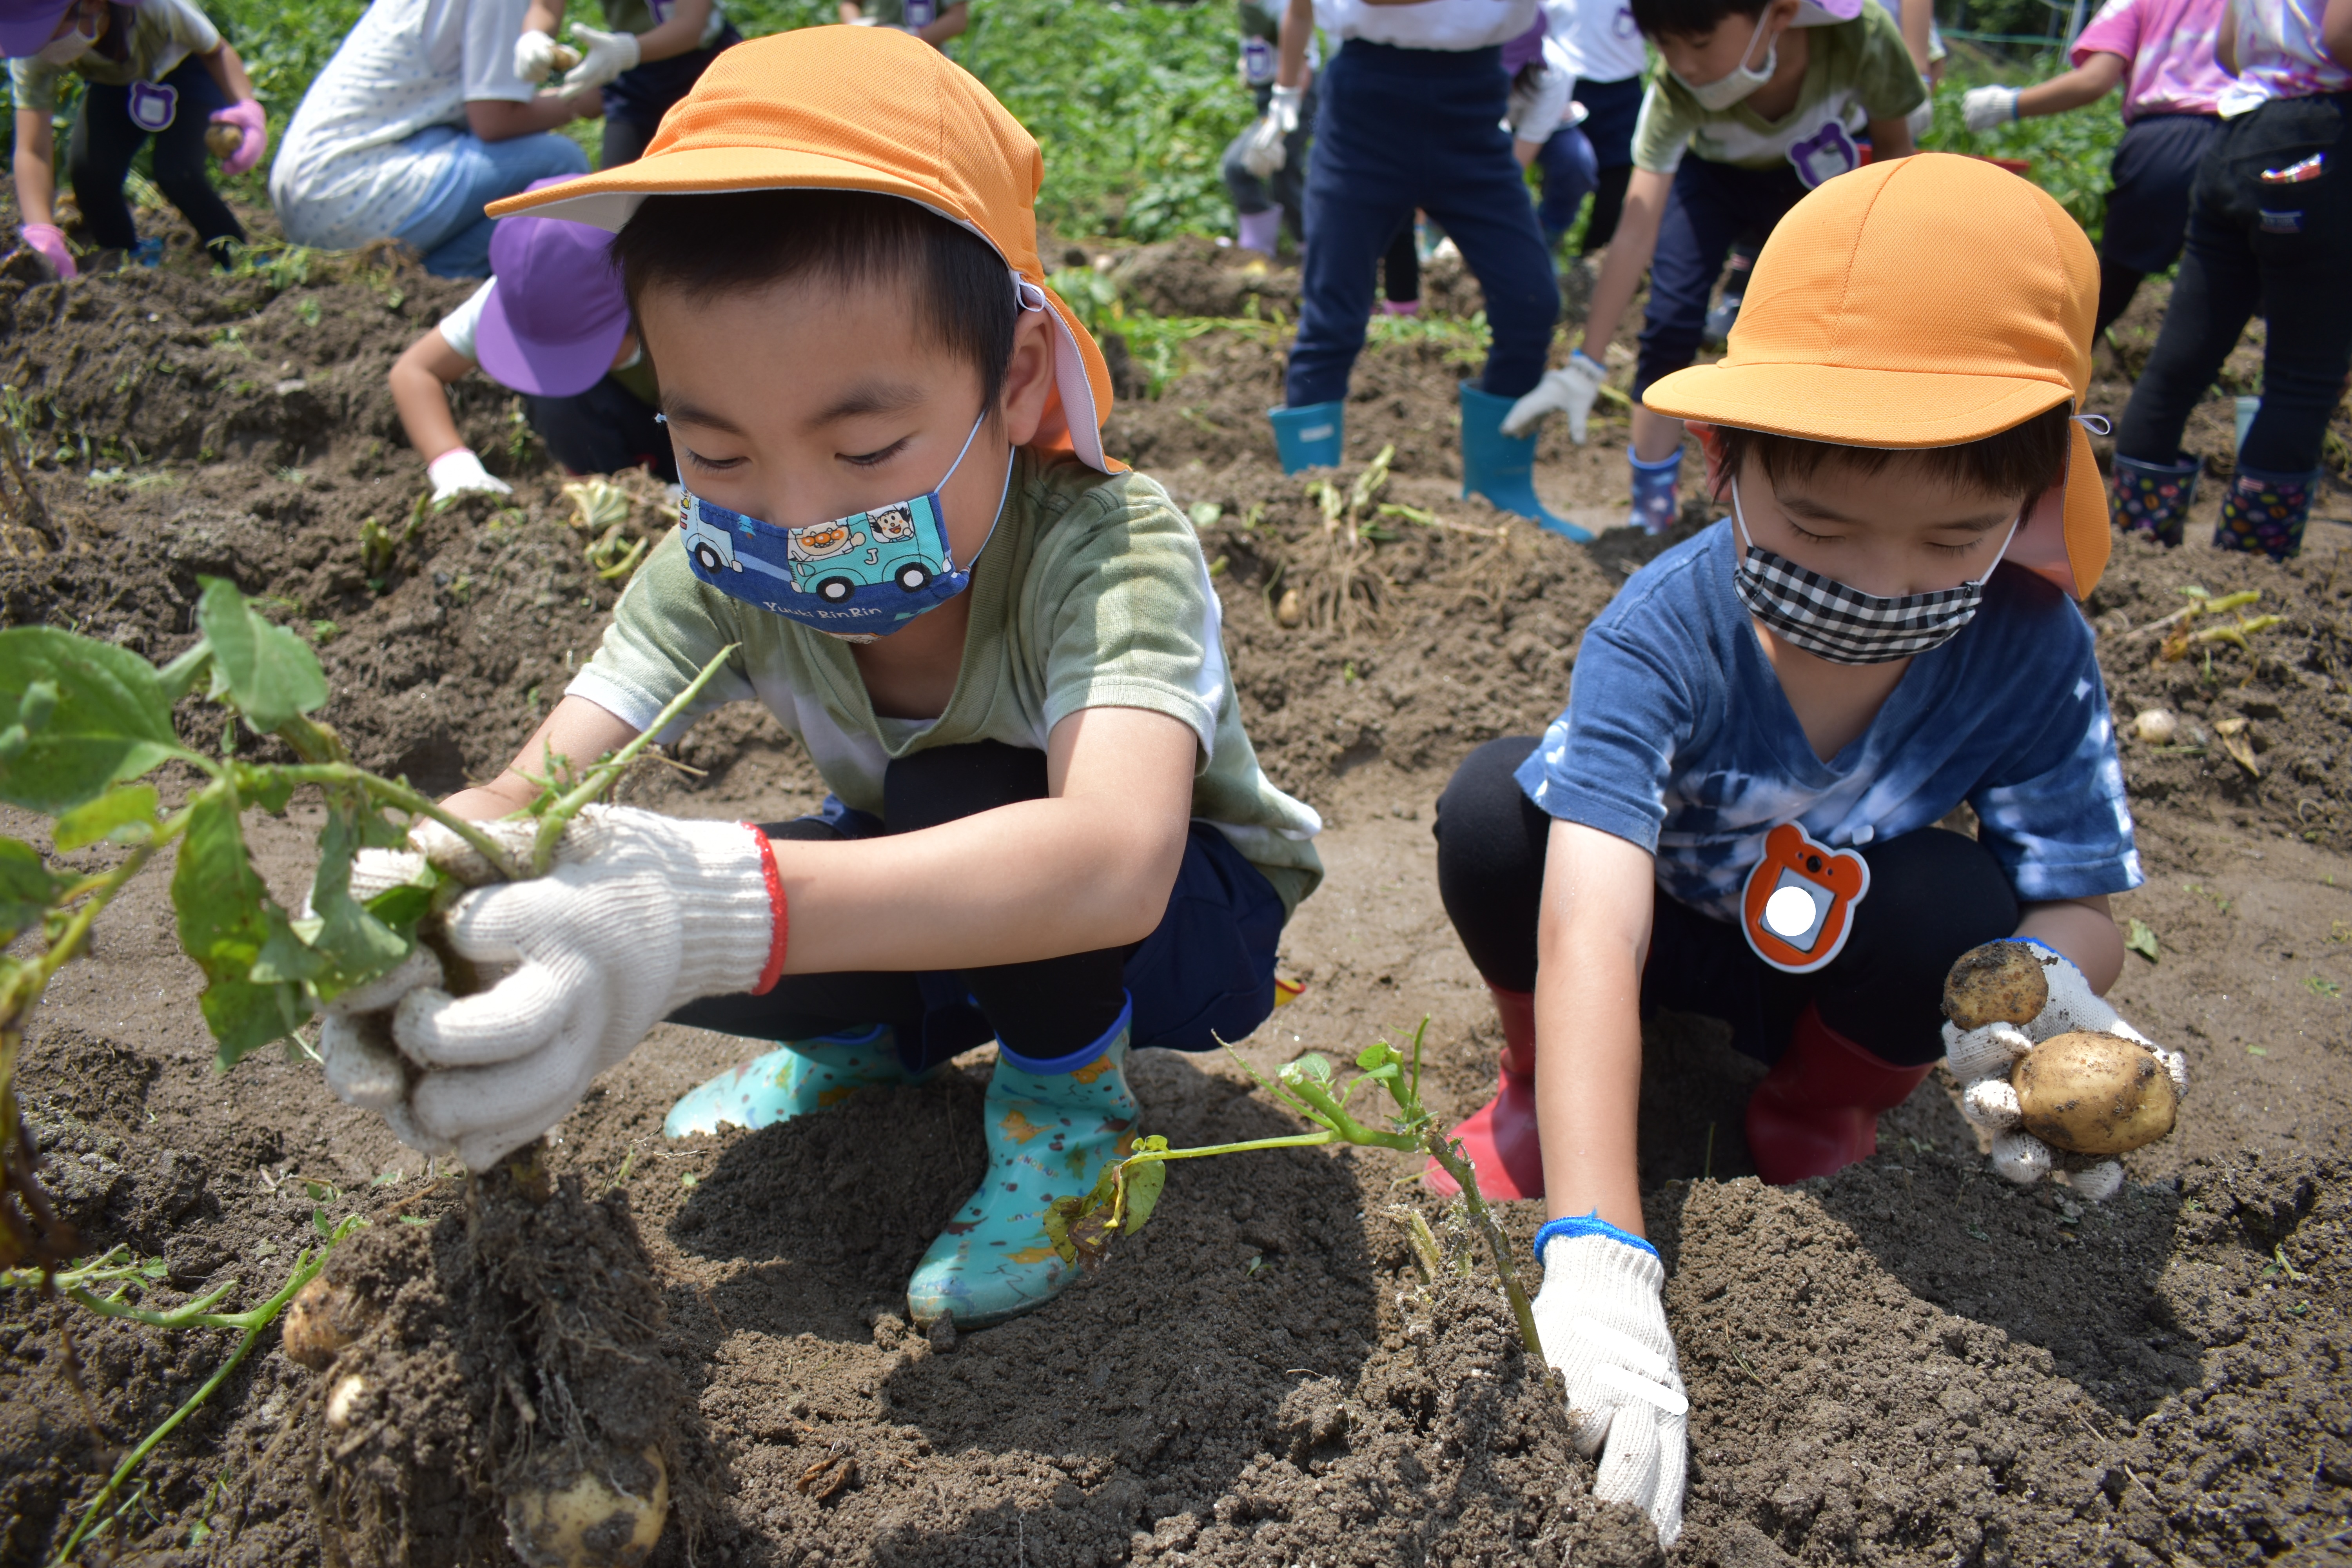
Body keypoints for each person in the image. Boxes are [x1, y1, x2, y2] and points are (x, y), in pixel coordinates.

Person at [314, 28, 1325, 1336]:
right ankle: (863, 1051)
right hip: (951, 881)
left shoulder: (1105, 544)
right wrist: (433, 882)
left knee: (947, 794)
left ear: (1014, 382)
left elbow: (1115, 857)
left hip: (1184, 931)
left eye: (865, 449)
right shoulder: (714, 568)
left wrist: (707, 907)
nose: (793, 515)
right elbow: (545, 777)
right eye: (719, 454)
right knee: (611, 873)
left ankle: (1073, 1123)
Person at [1427, 154, 2174, 1546]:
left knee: (1963, 901)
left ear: (2027, 501)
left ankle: (1815, 1105)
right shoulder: (1663, 625)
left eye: (1952, 534)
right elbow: (1592, 922)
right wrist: (1597, 1244)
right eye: (1817, 522)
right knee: (1492, 816)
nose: (1874, 581)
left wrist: (2044, 1008)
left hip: (1814, 949)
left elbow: (2080, 892)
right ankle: (1536, 1084)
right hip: (1641, 928)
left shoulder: (2028, 647)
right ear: (1727, 461)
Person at [1499, 0, 1923, 534]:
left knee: (1804, 334)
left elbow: (1893, 150)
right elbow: (1634, 231)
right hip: (1709, 181)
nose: (1684, 64)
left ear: (1781, 14)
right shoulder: (1676, 89)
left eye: (1698, 45)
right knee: (1672, 319)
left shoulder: (1859, 36)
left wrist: (1885, 273)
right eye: (1666, 46)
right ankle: (1652, 509)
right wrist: (1588, 361)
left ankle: (1796, 500)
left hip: (1809, 175)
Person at [1265, 0, 1582, 535]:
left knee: (1531, 300)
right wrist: (1284, 95)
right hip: (1367, 108)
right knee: (1333, 313)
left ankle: (1500, 490)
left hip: (1474, 103)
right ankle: (1309, 505)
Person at [2105, 0, 2350, 558]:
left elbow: (2229, 51)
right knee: (2302, 379)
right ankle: (2249, 563)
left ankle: (2131, 545)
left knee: (2179, 365)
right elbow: (2343, 35)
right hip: (2321, 140)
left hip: (2239, 136)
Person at [389, 179, 672, 505]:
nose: (560, 366)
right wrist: (454, 466)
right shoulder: (531, 293)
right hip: (631, 432)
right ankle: (622, 494)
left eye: (576, 354)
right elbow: (414, 371)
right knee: (555, 401)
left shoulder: (681, 301)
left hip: (708, 428)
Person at [269, 0, 601, 278]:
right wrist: (581, 101)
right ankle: (436, 278)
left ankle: (413, 277)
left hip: (311, 189)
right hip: (347, 196)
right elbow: (496, 120)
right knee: (560, 163)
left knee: (511, 159)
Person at [1962, 0, 2230, 340]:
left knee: (2115, 283)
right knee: (2234, 283)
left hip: (2165, 140)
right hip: (2254, 136)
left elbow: (2095, 80)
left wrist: (2008, 104)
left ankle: (2060, 374)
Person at [6, 0, 265, 276]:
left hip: (186, 68)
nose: (41, 42)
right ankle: (124, 260)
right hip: (113, 84)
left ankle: (239, 260)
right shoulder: (33, 51)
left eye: (50, 29)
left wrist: (246, 109)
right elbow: (32, 148)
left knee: (178, 171)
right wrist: (43, 233)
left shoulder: (157, 7)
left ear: (94, 4)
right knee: (90, 172)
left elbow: (216, 50)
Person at [514, 0, 742, 168]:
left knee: (722, 188)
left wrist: (625, 52)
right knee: (618, 202)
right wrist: (534, 37)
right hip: (634, 82)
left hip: (706, 70)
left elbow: (691, 25)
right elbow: (545, 7)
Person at [1539, 0, 1647, 261]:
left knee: (1614, 194)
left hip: (1624, 92)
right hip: (1565, 87)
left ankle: (1592, 264)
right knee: (1568, 169)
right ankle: (1544, 241)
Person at [1223, 0, 1318, 256]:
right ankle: (1309, 249)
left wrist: (1286, 113)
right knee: (1287, 176)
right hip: (1270, 96)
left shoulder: (1277, 4)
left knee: (1240, 165)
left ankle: (1258, 250)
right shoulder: (1250, 7)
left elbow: (1306, 63)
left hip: (1295, 100)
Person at [839, 0, 969, 51]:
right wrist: (856, 26)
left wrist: (912, 38)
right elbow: (850, 3)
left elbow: (957, 19)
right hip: (871, 50)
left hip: (924, 56)